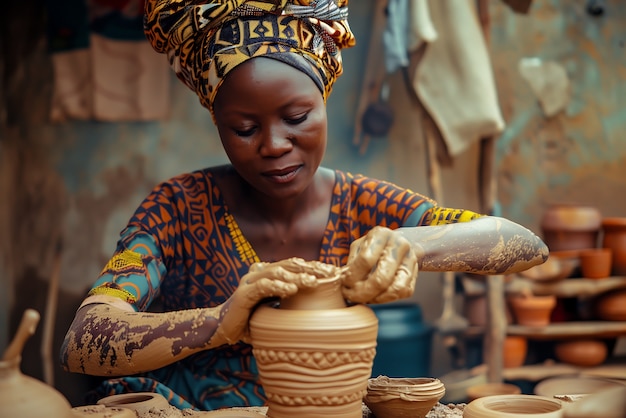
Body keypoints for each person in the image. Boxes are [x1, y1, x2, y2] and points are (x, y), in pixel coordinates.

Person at [60, 0, 548, 412]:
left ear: (324, 99)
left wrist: (410, 244)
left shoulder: (366, 205)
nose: (274, 145)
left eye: (296, 117)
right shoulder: (178, 207)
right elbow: (81, 342)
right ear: (216, 124)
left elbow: (525, 244)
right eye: (244, 129)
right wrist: (220, 321)